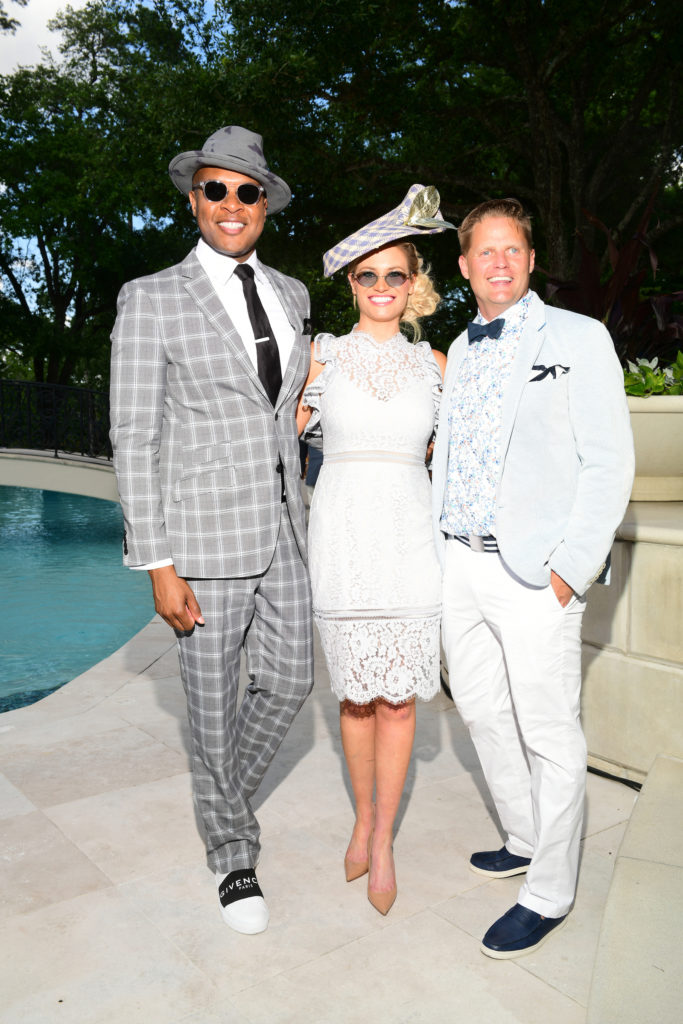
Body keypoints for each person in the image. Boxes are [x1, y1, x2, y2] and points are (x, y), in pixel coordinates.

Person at [109, 126, 314, 935]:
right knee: (207, 703)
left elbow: (284, 412)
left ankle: (219, 794)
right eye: (216, 189)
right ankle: (231, 852)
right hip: (201, 538)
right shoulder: (152, 296)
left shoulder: (293, 294)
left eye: (248, 191)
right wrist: (156, 561)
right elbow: (134, 434)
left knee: (292, 682)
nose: (233, 205)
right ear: (193, 198)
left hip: (286, 527)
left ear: (265, 205)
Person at [431, 198, 634, 958]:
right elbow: (448, 457)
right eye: (484, 251)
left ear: (529, 259)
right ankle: (521, 835)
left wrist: (567, 572)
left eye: (511, 249)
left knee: (549, 733)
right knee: (480, 713)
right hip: (460, 562)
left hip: (533, 577)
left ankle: (549, 890)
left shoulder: (578, 338)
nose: (499, 262)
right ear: (463, 266)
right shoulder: (460, 342)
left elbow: (608, 462)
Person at [297, 184, 453, 915]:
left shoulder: (438, 367)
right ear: (350, 283)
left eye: (397, 274)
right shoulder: (319, 359)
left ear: (414, 281)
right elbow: (266, 443)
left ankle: (382, 837)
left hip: (410, 540)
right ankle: (362, 817)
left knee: (398, 705)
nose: (383, 287)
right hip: (341, 539)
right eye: (368, 275)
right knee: (355, 700)